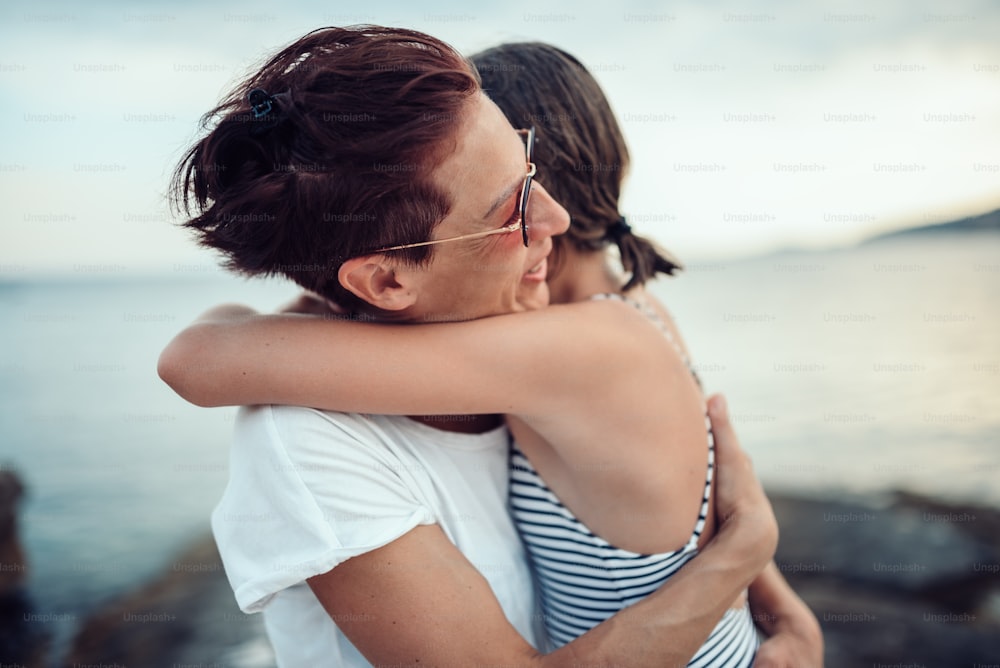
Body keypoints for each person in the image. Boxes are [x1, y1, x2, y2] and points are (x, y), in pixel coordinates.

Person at [160, 26, 815, 666]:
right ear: (385, 279)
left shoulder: (578, 347)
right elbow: (207, 354)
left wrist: (753, 565)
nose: (551, 217)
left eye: (532, 169)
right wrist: (745, 557)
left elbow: (199, 358)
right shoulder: (616, 320)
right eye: (516, 201)